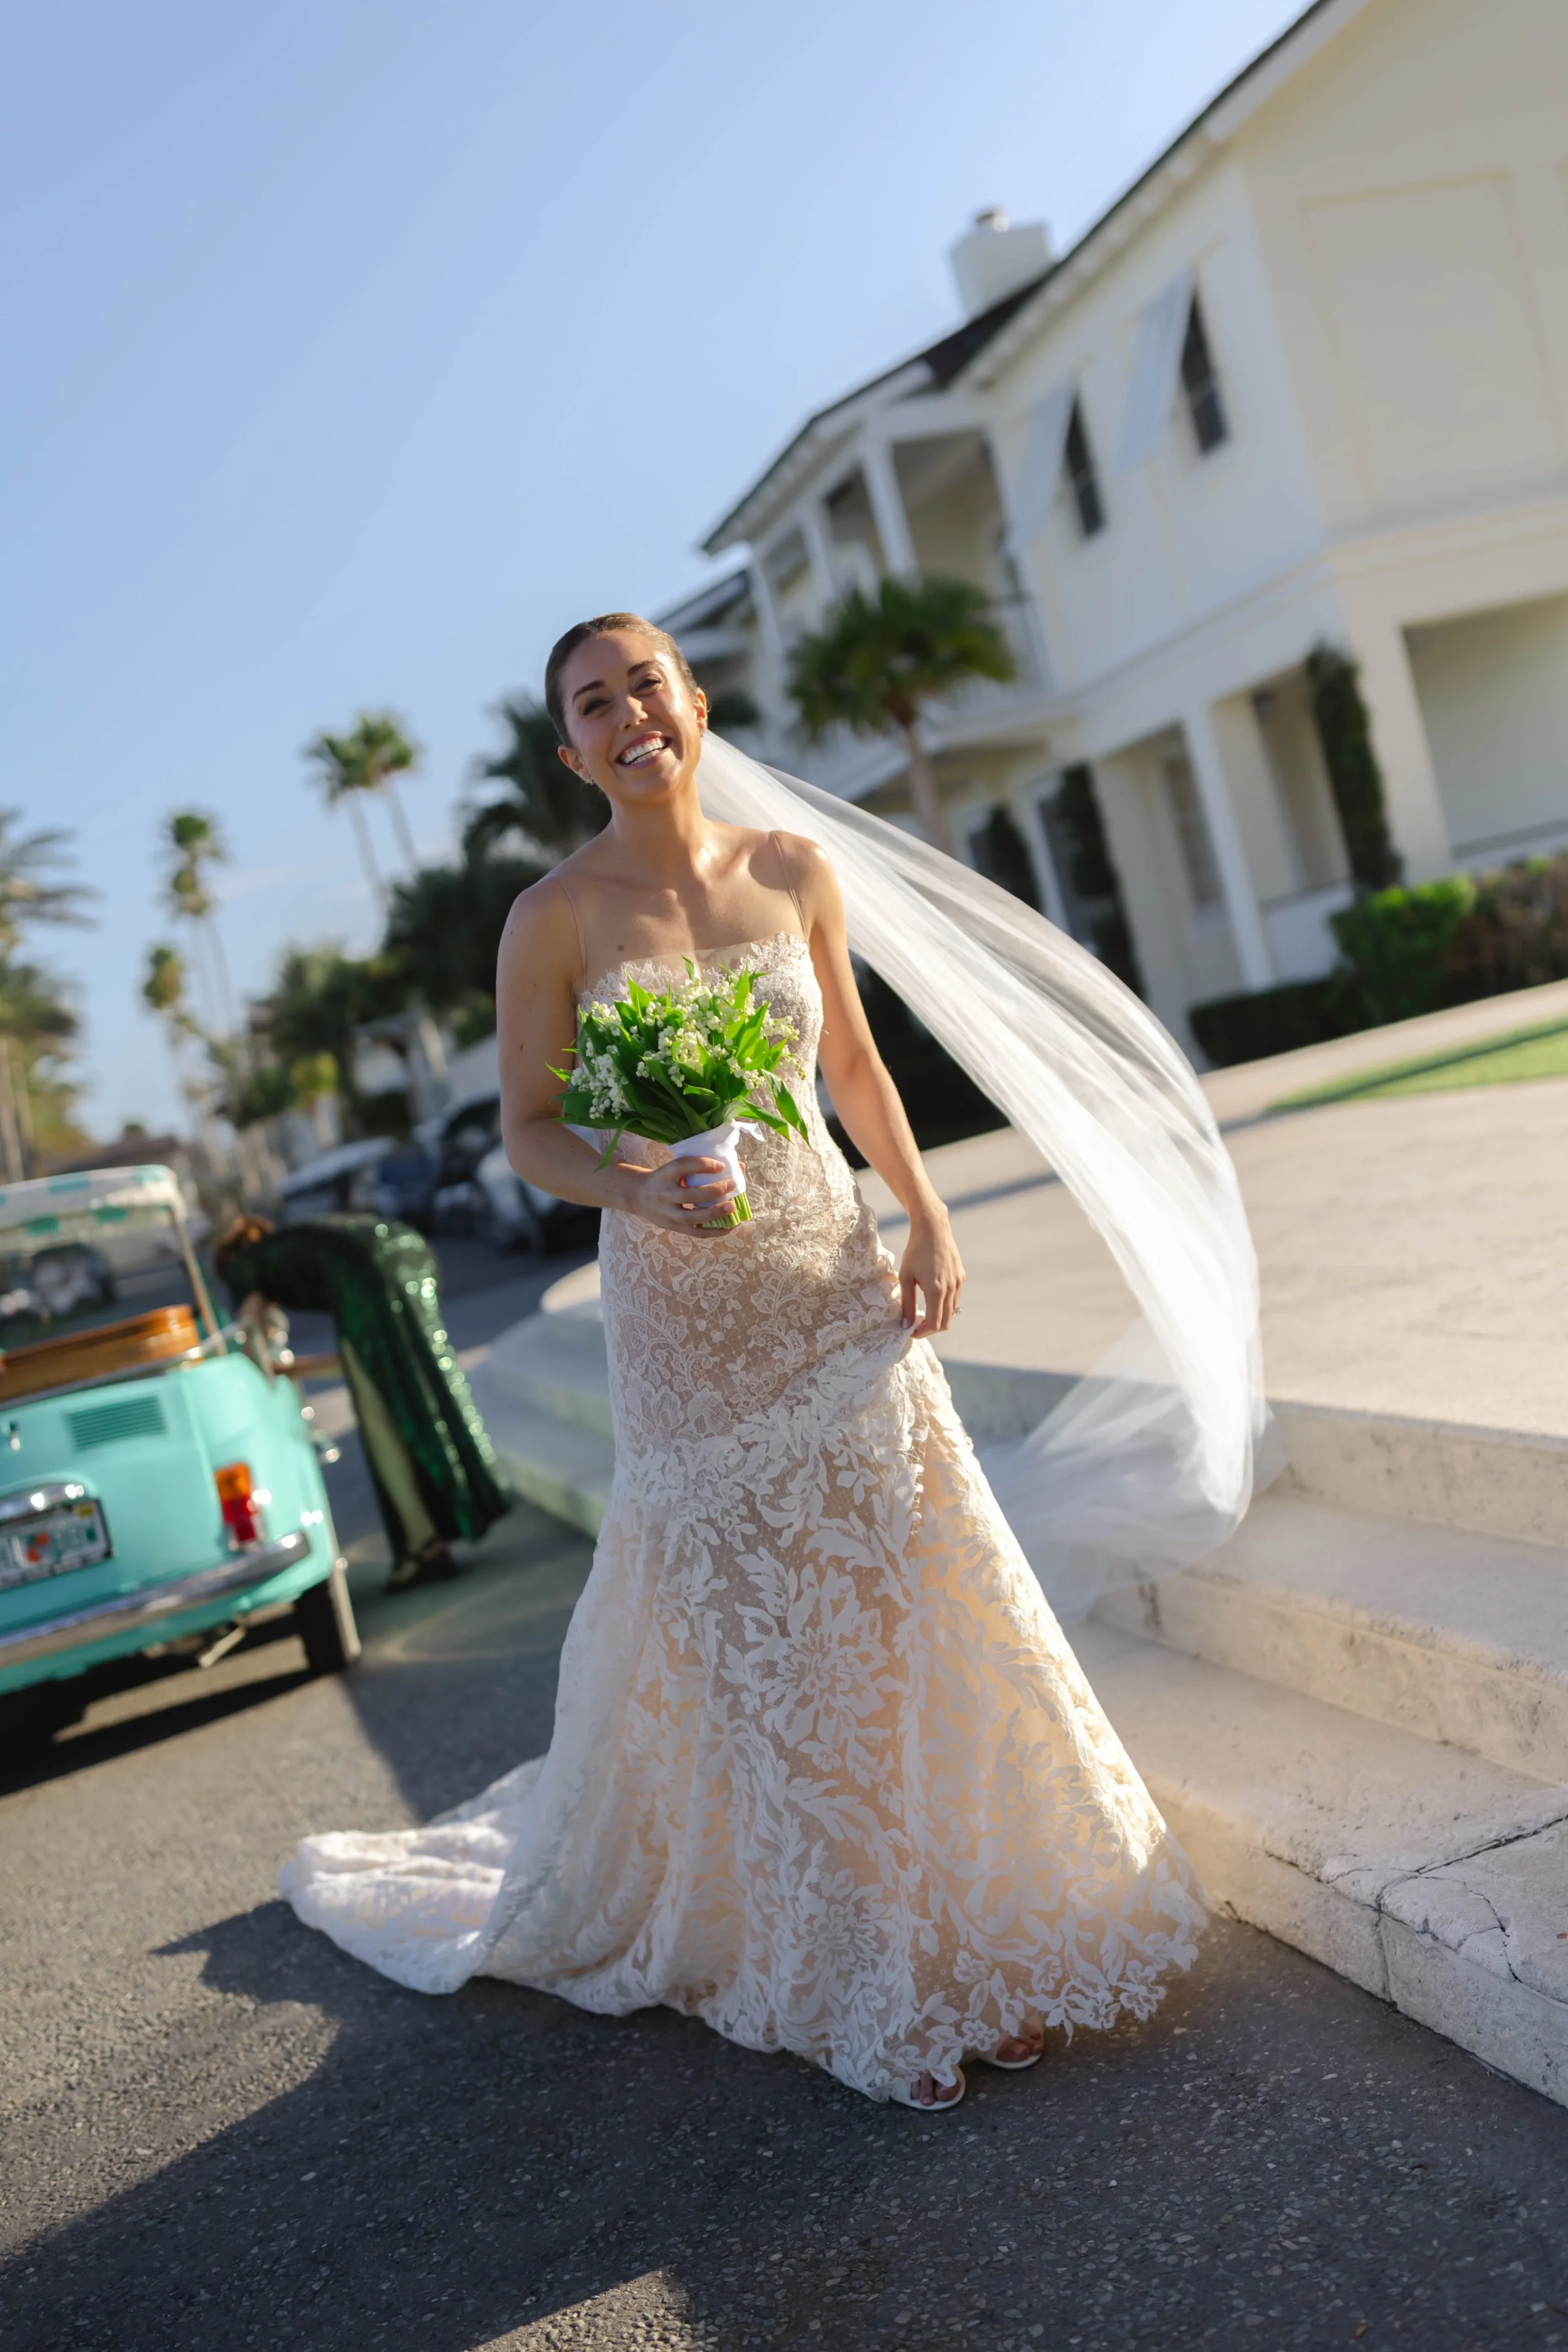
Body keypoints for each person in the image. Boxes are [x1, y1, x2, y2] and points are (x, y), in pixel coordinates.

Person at [277, 613, 1212, 2113]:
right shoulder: (554, 918)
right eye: (596, 703)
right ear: (571, 752)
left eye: (647, 681)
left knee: (909, 1611)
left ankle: (987, 1935)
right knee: (772, 1659)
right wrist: (633, 1180)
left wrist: (923, 1205)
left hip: (833, 1283)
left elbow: (846, 1062)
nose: (630, 712)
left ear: (695, 701)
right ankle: (873, 1974)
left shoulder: (793, 870)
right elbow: (530, 1122)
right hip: (684, 1326)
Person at [214, 1213, 511, 1592]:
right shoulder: (300, 1238)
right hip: (410, 1252)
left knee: (380, 1426)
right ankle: (470, 1501)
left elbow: (250, 1332)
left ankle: (422, 1545)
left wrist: (259, 1376)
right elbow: (357, 1356)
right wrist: (295, 1369)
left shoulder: (246, 1266)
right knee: (429, 1377)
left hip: (366, 1280)